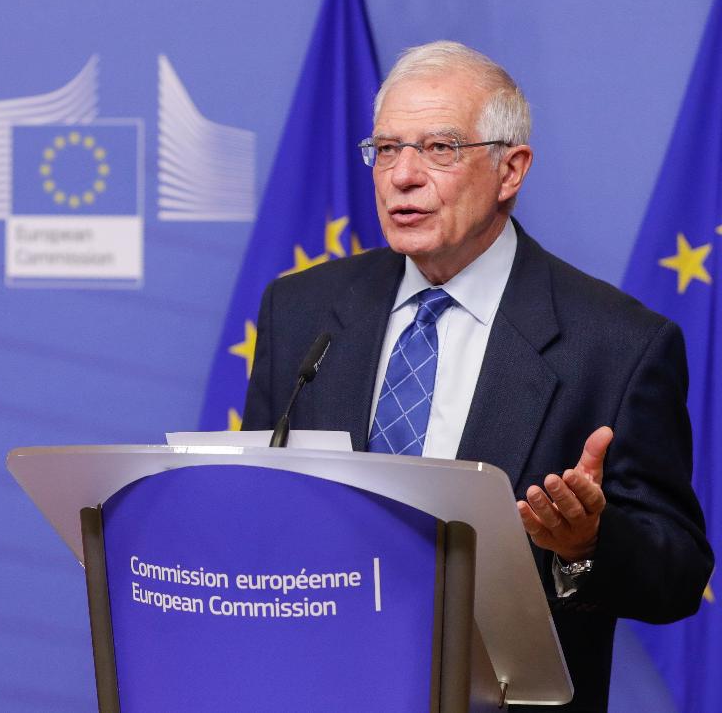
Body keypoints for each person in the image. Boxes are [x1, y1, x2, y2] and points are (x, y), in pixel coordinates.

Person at [243, 41, 712, 712]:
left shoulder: (617, 344)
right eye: (385, 149)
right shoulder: (299, 312)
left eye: (438, 148)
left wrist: (584, 543)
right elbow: (260, 508)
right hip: (316, 688)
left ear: (509, 169)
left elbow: (677, 574)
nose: (401, 175)